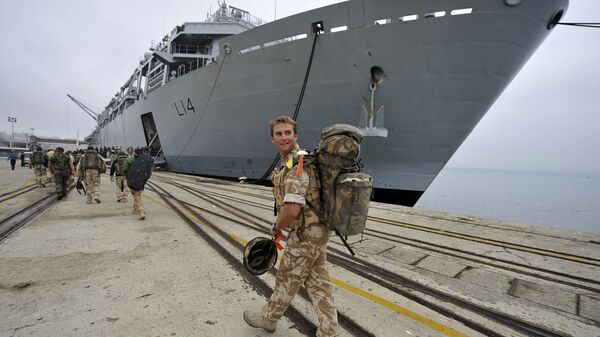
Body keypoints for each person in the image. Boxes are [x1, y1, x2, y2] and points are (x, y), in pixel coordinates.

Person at [243, 116, 339, 337]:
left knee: (286, 277)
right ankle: (329, 329)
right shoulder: (290, 163)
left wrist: (277, 228)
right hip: (316, 231)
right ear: (272, 139)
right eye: (279, 134)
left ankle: (268, 318)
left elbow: (292, 209)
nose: (283, 137)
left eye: (288, 133)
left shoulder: (298, 164)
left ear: (296, 135)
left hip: (307, 233)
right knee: (318, 282)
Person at [123, 148, 153, 220]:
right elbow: (149, 172)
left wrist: (129, 176)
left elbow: (124, 169)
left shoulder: (129, 159)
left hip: (132, 180)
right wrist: (144, 179)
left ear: (134, 153)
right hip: (141, 180)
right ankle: (135, 209)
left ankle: (141, 211)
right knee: (137, 194)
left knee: (136, 194)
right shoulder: (146, 160)